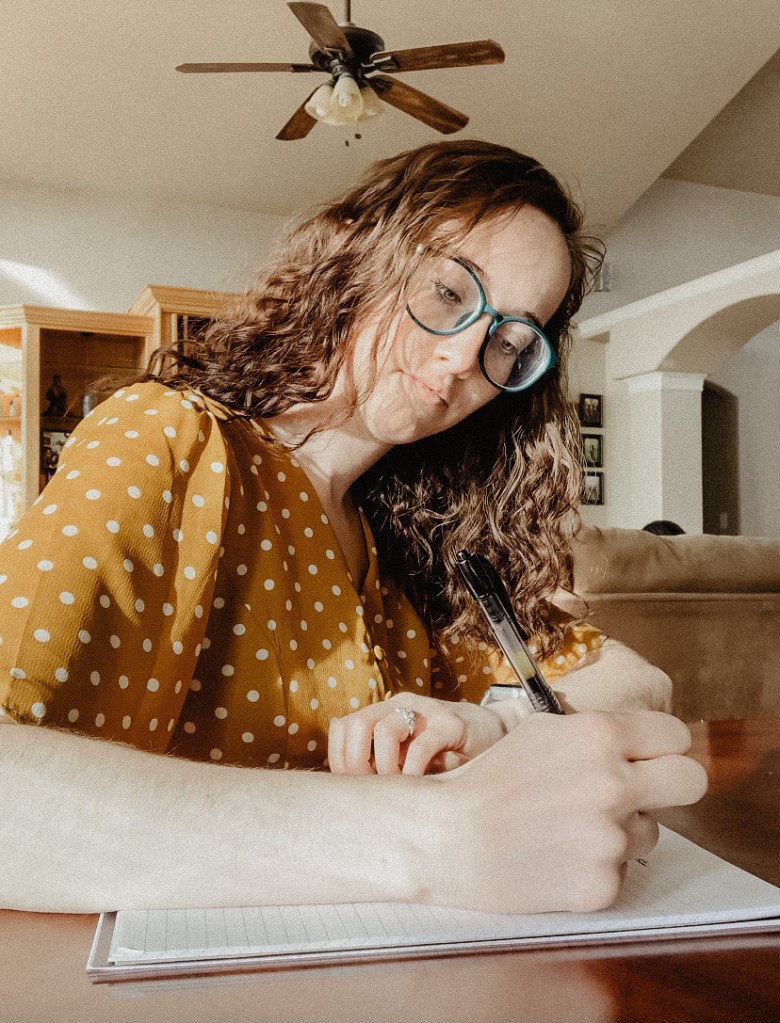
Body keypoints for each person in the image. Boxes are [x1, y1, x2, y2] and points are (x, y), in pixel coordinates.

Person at [0, 140, 706, 915]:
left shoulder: (413, 539)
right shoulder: (167, 440)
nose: (464, 356)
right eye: (448, 290)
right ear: (349, 252)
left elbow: (635, 679)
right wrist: (435, 837)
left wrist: (498, 721)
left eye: (511, 340)